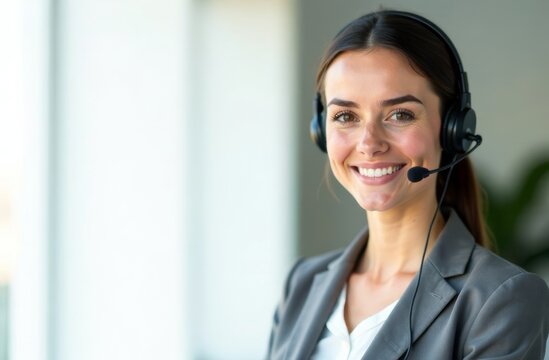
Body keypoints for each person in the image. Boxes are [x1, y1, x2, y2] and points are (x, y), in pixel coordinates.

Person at [267, 10, 549, 360]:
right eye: (346, 116)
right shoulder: (303, 284)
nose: (369, 143)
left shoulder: (501, 298)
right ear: (321, 131)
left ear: (452, 130)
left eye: (399, 114)